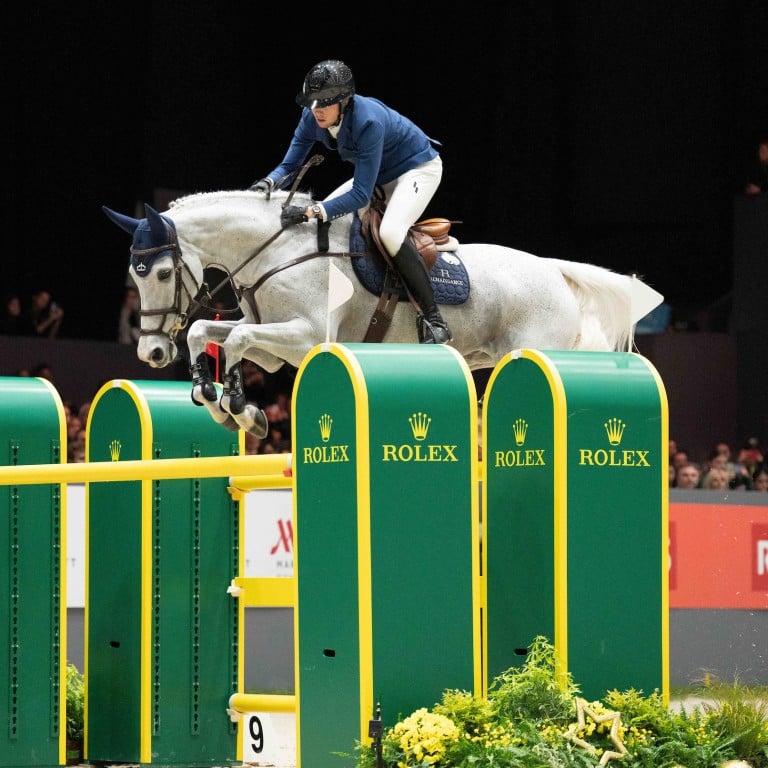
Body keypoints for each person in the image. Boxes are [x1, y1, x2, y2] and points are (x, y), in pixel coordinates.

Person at [249, 59, 451, 344]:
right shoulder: (311, 116)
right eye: (312, 103)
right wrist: (267, 183)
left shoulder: (369, 121)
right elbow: (289, 164)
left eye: (324, 103)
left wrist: (310, 211)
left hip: (417, 169)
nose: (316, 110)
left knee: (390, 233)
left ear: (344, 101)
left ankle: (434, 319)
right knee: (326, 223)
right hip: (381, 173)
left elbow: (360, 195)